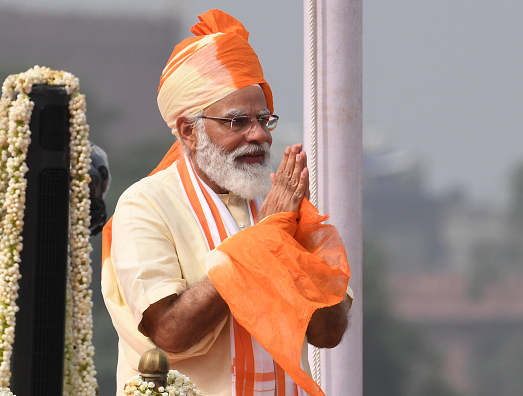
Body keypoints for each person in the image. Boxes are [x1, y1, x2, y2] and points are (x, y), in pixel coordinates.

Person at [102, 9, 352, 396]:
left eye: (263, 119)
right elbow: (170, 332)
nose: (259, 136)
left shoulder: (275, 204)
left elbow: (328, 332)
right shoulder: (145, 204)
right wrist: (262, 242)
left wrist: (291, 240)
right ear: (189, 131)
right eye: (237, 122)